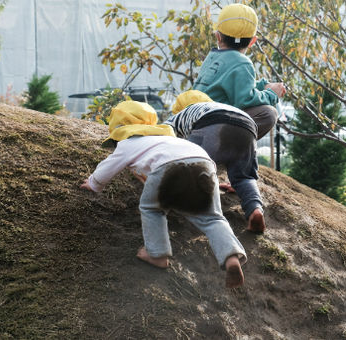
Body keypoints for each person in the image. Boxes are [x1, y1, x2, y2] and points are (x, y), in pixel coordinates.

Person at [80, 100, 247, 288]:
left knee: (152, 208)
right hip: (204, 163)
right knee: (212, 218)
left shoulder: (127, 143)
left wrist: (94, 184)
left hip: (168, 167)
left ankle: (157, 254)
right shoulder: (170, 139)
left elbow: (108, 167)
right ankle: (231, 256)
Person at [164, 90, 266, 233]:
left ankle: (202, 210)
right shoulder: (215, 106)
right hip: (247, 126)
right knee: (244, 177)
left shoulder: (181, 115)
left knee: (193, 168)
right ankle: (255, 210)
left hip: (211, 124)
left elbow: (161, 134)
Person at [192, 3, 286, 140]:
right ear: (253, 41)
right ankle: (231, 148)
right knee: (268, 113)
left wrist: (262, 86)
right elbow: (245, 101)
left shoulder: (212, 57)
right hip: (213, 126)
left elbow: (231, 83)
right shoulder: (242, 62)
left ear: (218, 36)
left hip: (197, 120)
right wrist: (271, 94)